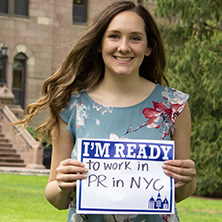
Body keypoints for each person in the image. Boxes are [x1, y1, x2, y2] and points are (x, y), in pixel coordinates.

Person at [16, 1, 196, 221]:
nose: (124, 47)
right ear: (99, 44)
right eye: (114, 36)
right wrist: (62, 185)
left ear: (149, 47)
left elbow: (179, 194)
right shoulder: (70, 105)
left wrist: (187, 180)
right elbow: (56, 199)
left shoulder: (174, 105)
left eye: (135, 38)